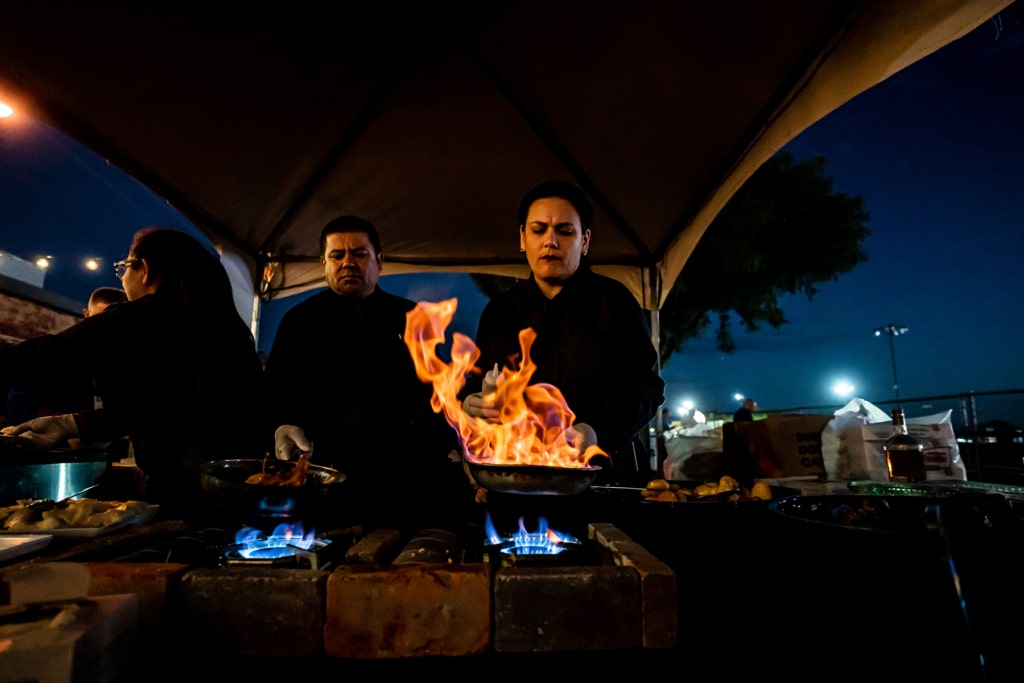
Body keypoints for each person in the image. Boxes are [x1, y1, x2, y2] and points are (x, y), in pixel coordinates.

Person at [0, 227, 266, 522]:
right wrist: (71, 424)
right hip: (246, 498)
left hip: (184, 502)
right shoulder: (232, 332)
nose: (123, 278)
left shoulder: (138, 319)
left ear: (146, 270)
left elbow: (37, 359)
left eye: (124, 267)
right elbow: (169, 408)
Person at [263, 215, 466, 533]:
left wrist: (451, 445)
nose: (348, 263)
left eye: (359, 253)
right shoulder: (299, 322)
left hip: (408, 480)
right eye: (337, 255)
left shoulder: (412, 318)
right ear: (323, 263)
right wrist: (282, 426)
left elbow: (439, 392)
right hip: (327, 481)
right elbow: (275, 393)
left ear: (379, 261)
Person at [462, 180, 665, 480]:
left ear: (584, 241)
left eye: (564, 231)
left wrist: (594, 431)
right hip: (520, 477)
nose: (550, 241)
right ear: (522, 237)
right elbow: (475, 384)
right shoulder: (501, 311)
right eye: (538, 229)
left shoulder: (614, 301)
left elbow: (647, 387)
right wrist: (470, 402)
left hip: (603, 475)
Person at [3, 286, 128, 424]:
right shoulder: (64, 353)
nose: (104, 329)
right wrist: (64, 425)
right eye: (98, 320)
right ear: (86, 315)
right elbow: (18, 399)